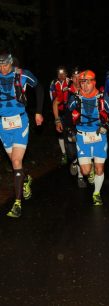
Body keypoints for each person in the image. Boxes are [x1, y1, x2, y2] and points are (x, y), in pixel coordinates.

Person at [0, 52, 44, 218]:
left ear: (11, 63)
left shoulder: (22, 74)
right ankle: (25, 180)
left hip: (20, 122)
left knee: (16, 161)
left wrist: (39, 112)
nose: (2, 68)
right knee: (15, 162)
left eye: (5, 65)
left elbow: (39, 87)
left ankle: (17, 203)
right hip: (2, 125)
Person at [68, 70, 109, 205]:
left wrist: (106, 127)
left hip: (99, 137)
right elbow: (67, 115)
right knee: (85, 171)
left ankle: (96, 193)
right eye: (82, 82)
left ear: (94, 82)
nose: (85, 86)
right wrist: (70, 130)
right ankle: (89, 174)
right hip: (82, 137)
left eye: (88, 82)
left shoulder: (102, 98)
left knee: (99, 168)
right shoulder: (75, 98)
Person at [53, 66, 88, 188]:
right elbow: (55, 103)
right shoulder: (67, 91)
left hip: (83, 126)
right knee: (72, 154)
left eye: (80, 77)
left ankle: (80, 177)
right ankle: (73, 162)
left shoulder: (87, 89)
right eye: (75, 77)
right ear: (71, 78)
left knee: (82, 152)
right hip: (69, 126)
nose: (77, 79)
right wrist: (57, 120)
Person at [49, 66, 70, 165]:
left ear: (66, 74)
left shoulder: (70, 81)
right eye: (59, 73)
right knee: (60, 132)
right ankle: (64, 153)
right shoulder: (53, 83)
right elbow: (52, 98)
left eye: (63, 73)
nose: (61, 75)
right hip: (59, 110)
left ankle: (74, 152)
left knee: (72, 132)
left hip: (70, 111)